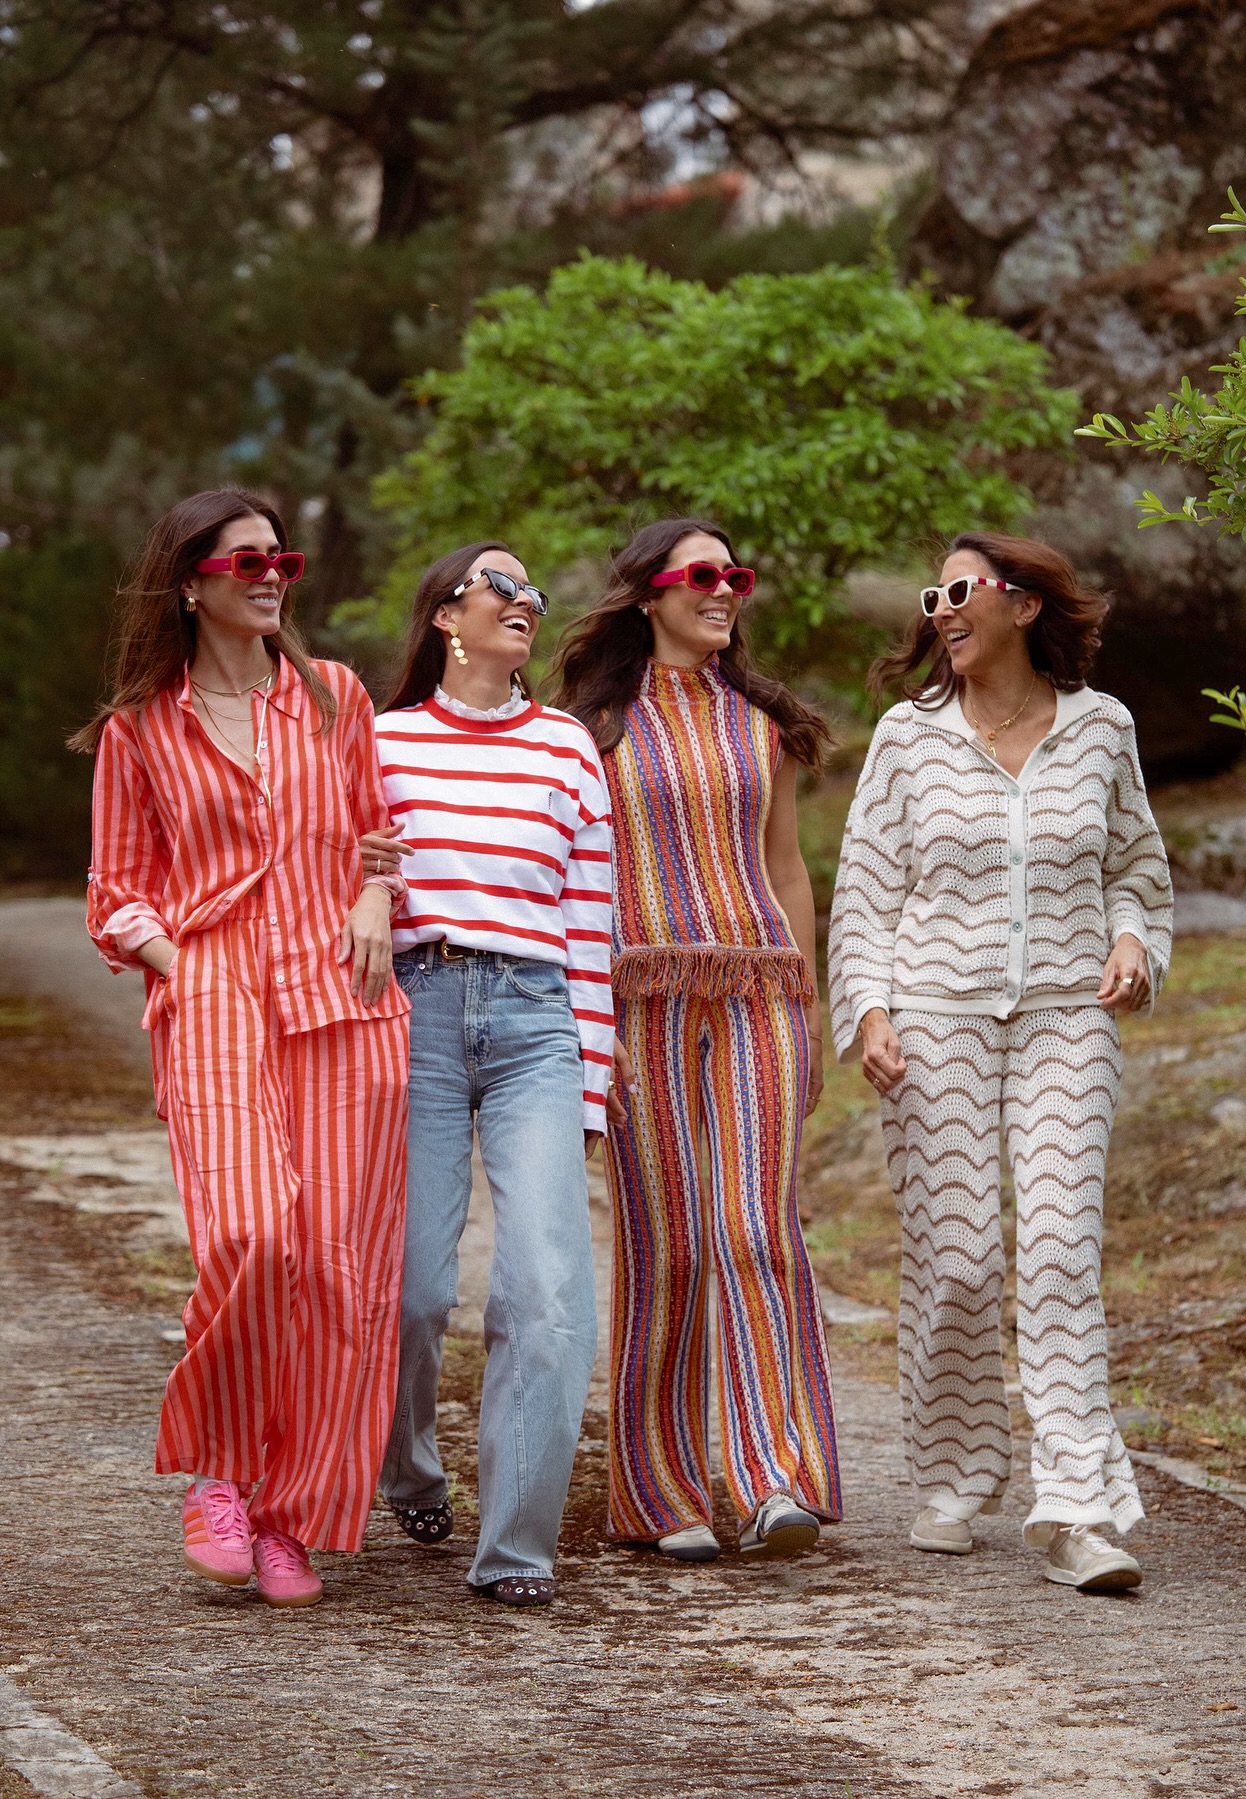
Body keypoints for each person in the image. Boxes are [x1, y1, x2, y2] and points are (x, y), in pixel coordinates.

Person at [74, 489, 409, 1608]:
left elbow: (379, 836)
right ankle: (220, 1469)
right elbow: (115, 892)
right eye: (247, 561)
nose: (273, 576)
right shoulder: (139, 728)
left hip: (346, 1000)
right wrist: (182, 963)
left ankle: (288, 1518)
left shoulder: (335, 696)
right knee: (253, 1236)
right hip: (212, 993)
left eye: (283, 560)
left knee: (339, 1273)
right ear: (191, 583)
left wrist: (375, 896)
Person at [828, 530, 1172, 1592]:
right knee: (963, 1259)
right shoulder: (908, 736)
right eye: (932, 595)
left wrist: (1133, 941)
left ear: (1023, 604)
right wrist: (871, 1010)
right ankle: (953, 1474)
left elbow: (1136, 867)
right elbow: (866, 891)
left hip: (1070, 1016)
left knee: (1062, 1248)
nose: (941, 609)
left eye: (961, 591)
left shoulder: (1102, 727)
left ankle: (1077, 1508)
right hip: (934, 1021)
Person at [552, 517, 842, 1562]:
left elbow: (788, 866)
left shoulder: (762, 722)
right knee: (667, 1242)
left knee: (757, 1230)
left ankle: (776, 1480)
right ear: (650, 595)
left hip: (761, 991)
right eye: (703, 576)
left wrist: (808, 999)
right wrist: (584, 1024)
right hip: (640, 1000)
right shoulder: (588, 730)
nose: (725, 591)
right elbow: (568, 879)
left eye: (735, 576)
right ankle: (660, 1490)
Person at [358, 542, 612, 1609]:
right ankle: (407, 1465)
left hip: (535, 1022)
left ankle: (515, 1546)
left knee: (546, 1288)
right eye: (500, 586)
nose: (524, 603)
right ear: (445, 616)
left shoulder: (568, 748)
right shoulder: (378, 741)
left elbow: (590, 924)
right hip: (410, 1013)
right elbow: (343, 881)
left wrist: (591, 1077)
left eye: (533, 593)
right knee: (411, 1288)